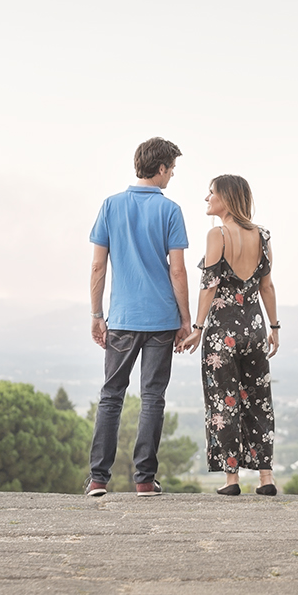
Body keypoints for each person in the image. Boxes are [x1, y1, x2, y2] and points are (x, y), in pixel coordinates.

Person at [85, 138, 192, 497]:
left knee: (111, 396)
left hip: (123, 317)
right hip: (161, 319)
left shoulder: (110, 206)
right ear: (160, 168)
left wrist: (97, 314)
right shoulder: (170, 210)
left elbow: (98, 265)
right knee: (152, 398)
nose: (172, 175)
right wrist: (185, 320)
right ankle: (144, 479)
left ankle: (98, 479)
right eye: (172, 169)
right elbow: (177, 272)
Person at [178, 175, 279, 496]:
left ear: (227, 198)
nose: (207, 198)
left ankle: (231, 480)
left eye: (212, 193)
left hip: (223, 333)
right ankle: (266, 479)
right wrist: (274, 327)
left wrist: (197, 327)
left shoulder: (217, 235)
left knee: (224, 402)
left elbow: (209, 285)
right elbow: (267, 286)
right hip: (255, 328)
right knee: (260, 402)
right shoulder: (262, 235)